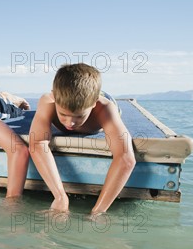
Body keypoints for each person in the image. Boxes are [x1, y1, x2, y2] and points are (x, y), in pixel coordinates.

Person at [29, 63, 136, 214]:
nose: (70, 123)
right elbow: (38, 144)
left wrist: (98, 211)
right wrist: (60, 197)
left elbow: (125, 158)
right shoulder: (48, 101)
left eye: (79, 116)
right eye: (63, 115)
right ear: (55, 98)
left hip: (104, 99)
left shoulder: (104, 109)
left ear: (93, 104)